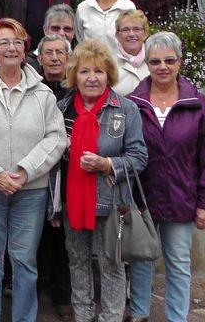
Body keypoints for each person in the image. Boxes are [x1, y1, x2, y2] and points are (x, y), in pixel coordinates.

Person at [0, 18, 66, 322]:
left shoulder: (43, 93)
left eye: (17, 42)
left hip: (29, 190)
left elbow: (56, 138)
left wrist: (25, 171)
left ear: (25, 49)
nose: (11, 48)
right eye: (3, 42)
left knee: (25, 260)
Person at [125, 32, 205, 322]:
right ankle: (139, 313)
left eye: (169, 60)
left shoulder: (197, 103)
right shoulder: (133, 103)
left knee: (178, 262)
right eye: (155, 61)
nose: (162, 67)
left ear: (180, 62)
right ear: (147, 64)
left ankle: (177, 317)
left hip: (182, 198)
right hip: (143, 198)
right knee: (141, 259)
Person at [54, 39, 147, 322]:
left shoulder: (125, 109)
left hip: (111, 200)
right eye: (84, 71)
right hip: (73, 201)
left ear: (109, 74)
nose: (92, 78)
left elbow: (139, 157)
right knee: (78, 261)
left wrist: (108, 164)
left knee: (112, 264)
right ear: (74, 75)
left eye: (99, 71)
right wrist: (54, 206)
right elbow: (53, 161)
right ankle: (83, 315)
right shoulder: (62, 109)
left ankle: (110, 318)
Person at [33, 33, 73, 320]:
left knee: (63, 237)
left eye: (60, 52)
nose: (55, 58)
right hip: (35, 171)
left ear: (68, 57)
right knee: (34, 236)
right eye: (49, 53)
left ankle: (62, 295)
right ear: (40, 58)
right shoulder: (32, 88)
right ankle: (32, 295)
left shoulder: (76, 90)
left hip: (67, 175)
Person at [27, 3, 76, 73]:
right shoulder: (28, 64)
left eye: (67, 29)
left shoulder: (79, 62)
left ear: (73, 33)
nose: (61, 33)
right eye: (55, 28)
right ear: (45, 30)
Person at [112, 9, 150, 96]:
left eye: (137, 29)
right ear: (117, 35)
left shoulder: (154, 60)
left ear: (145, 33)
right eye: (125, 30)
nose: (131, 34)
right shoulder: (109, 64)